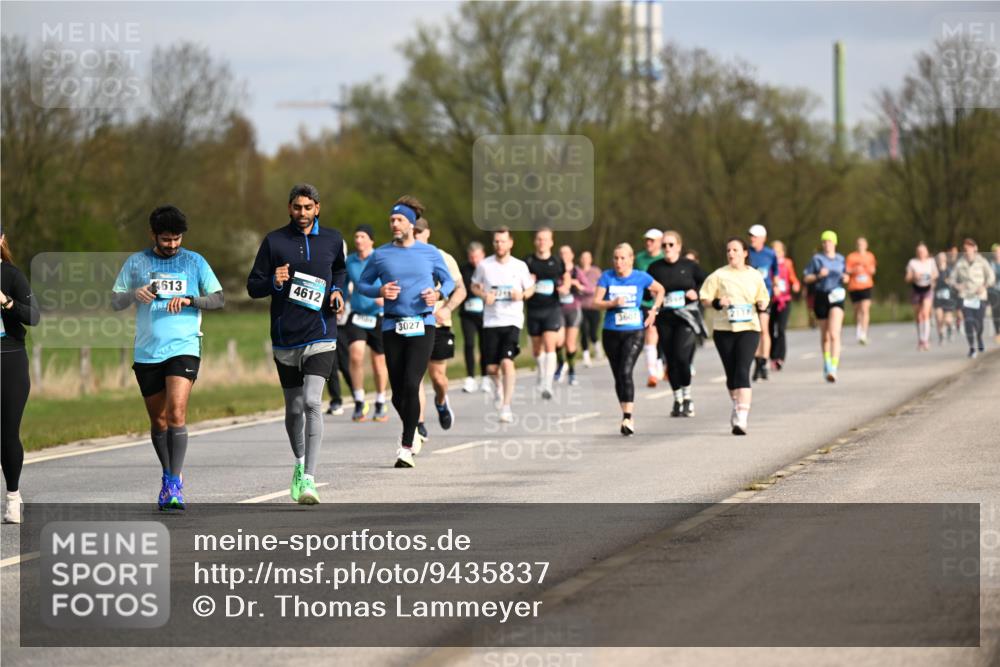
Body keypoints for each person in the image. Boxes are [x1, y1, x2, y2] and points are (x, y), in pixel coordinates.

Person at [112, 205, 225, 511]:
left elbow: (218, 298)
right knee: (158, 420)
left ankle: (174, 483)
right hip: (147, 352)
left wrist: (191, 299)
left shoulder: (195, 262)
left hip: (184, 347)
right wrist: (134, 294)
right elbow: (114, 301)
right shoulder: (136, 262)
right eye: (166, 239)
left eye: (177, 239)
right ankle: (167, 473)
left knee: (176, 414)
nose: (172, 244)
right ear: (153, 235)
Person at [247, 184, 346, 503]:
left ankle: (310, 480)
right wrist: (273, 281)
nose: (301, 213)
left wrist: (338, 292)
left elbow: (340, 270)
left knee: (313, 402)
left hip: (322, 333)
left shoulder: (332, 239)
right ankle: (299, 463)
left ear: (317, 207)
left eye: (307, 207)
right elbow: (253, 287)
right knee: (293, 407)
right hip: (285, 337)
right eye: (296, 207)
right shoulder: (274, 241)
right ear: (289, 208)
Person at [356, 196, 454, 468]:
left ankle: (407, 445)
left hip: (423, 324)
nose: (394, 224)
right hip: (392, 325)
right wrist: (380, 290)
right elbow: (363, 284)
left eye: (399, 219)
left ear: (411, 224)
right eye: (391, 220)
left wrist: (438, 293)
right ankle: (412, 428)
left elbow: (449, 281)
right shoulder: (381, 254)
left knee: (412, 384)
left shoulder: (429, 252)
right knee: (398, 393)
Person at [699, 238, 769, 435]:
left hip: (749, 328)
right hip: (724, 330)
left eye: (735, 250)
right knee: (731, 375)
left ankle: (742, 418)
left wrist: (762, 304)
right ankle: (737, 405)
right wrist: (717, 302)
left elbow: (763, 296)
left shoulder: (754, 275)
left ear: (745, 253)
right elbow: (704, 297)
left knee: (742, 370)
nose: (731, 253)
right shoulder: (719, 275)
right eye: (728, 250)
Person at [594, 244, 664, 435]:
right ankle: (625, 412)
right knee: (618, 375)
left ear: (631, 259)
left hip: (634, 331)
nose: (619, 262)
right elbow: (596, 302)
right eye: (616, 258)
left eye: (623, 258)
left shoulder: (641, 277)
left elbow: (660, 290)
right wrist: (612, 303)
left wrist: (654, 311)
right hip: (611, 331)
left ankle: (628, 417)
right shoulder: (607, 277)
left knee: (626, 371)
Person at [471, 227, 535, 424]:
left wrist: (522, 295)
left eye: (503, 241)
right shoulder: (484, 265)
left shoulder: (520, 266)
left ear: (510, 243)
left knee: (507, 362)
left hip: (512, 320)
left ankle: (506, 407)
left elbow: (531, 288)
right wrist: (484, 295)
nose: (500, 245)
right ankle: (498, 387)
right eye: (496, 241)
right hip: (491, 321)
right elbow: (474, 286)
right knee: (491, 368)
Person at [1, 229, 40, 524]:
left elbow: (34, 317)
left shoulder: (11, 275)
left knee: (6, 433)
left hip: (9, 360)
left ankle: (13, 497)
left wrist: (6, 302)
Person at [413, 216, 466, 431]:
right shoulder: (401, 257)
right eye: (412, 232)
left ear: (427, 232)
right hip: (412, 324)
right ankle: (418, 425)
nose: (415, 236)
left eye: (418, 232)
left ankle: (441, 401)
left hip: (438, 325)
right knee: (414, 378)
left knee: (438, 378)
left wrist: (446, 309)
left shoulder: (442, 257)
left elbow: (461, 288)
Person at [646, 231, 706, 417]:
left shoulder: (689, 266)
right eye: (664, 245)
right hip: (665, 318)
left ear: (679, 246)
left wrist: (696, 292)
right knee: (670, 362)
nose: (667, 248)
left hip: (685, 317)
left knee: (682, 357)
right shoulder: (655, 268)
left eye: (671, 245)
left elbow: (707, 281)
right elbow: (648, 290)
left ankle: (688, 398)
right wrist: (653, 295)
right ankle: (677, 399)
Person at [340, 224, 389, 422]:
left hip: (379, 316)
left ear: (371, 240)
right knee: (356, 355)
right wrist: (340, 301)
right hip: (358, 315)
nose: (358, 240)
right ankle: (359, 400)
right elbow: (342, 285)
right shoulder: (349, 261)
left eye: (362, 236)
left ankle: (380, 401)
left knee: (378, 364)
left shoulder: (381, 258)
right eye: (356, 236)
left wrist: (387, 298)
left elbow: (393, 280)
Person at [524, 227, 565, 400]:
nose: (542, 242)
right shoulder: (528, 261)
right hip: (533, 309)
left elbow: (566, 276)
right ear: (535, 241)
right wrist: (528, 282)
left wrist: (565, 286)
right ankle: (541, 373)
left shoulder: (556, 261)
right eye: (539, 239)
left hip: (552, 308)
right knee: (536, 348)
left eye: (545, 239)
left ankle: (548, 383)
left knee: (550, 344)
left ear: (551, 242)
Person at [803, 230, 848, 383]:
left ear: (834, 243)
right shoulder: (817, 259)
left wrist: (846, 277)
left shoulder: (841, 259)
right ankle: (827, 362)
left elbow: (847, 275)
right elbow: (807, 278)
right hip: (821, 296)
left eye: (829, 241)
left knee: (834, 333)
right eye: (824, 242)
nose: (826, 244)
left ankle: (833, 368)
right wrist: (818, 276)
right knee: (825, 335)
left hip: (837, 296)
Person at [949, 238, 996, 358]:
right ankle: (971, 348)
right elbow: (951, 278)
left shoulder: (982, 261)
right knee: (968, 322)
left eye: (969, 248)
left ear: (975, 248)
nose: (966, 250)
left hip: (980, 296)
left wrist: (984, 286)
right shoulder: (960, 263)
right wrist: (957, 285)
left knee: (979, 323)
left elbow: (991, 277)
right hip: (966, 296)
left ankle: (979, 337)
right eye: (964, 249)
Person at [747, 225, 779, 381]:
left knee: (764, 329)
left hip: (764, 296)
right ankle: (757, 361)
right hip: (748, 297)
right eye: (750, 236)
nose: (752, 239)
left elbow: (776, 274)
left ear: (762, 238)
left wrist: (777, 287)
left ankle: (763, 361)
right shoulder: (746, 253)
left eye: (755, 236)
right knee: (752, 331)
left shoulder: (770, 254)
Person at [635, 229, 665, 387]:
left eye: (652, 240)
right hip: (646, 303)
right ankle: (652, 372)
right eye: (647, 240)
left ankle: (661, 362)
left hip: (665, 302)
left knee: (663, 335)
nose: (648, 243)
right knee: (651, 331)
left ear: (660, 241)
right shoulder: (639, 258)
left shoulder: (664, 257)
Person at [460, 241, 488, 393]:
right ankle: (470, 377)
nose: (474, 260)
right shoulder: (464, 269)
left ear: (483, 255)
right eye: (472, 257)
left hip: (485, 313)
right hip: (467, 314)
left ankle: (485, 378)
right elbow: (459, 288)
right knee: (469, 344)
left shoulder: (489, 269)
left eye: (477, 257)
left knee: (485, 345)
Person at [554, 244, 584, 386]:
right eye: (561, 253)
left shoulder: (577, 271)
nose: (564, 256)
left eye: (566, 253)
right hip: (558, 309)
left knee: (570, 344)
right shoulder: (555, 271)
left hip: (573, 310)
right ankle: (561, 364)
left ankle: (572, 371)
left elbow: (590, 288)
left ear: (572, 255)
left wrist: (578, 285)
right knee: (558, 341)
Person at [769, 240, 800, 370]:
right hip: (770, 301)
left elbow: (792, 278)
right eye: (773, 250)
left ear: (783, 252)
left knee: (781, 329)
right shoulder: (768, 264)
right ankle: (772, 355)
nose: (776, 253)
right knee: (770, 329)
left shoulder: (787, 263)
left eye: (778, 250)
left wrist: (796, 284)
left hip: (784, 300)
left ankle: (780, 357)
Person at [904, 243, 938, 351]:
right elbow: (907, 278)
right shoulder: (912, 263)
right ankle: (920, 338)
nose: (921, 253)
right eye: (919, 251)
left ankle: (925, 340)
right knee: (918, 316)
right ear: (916, 253)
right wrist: (914, 276)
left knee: (925, 313)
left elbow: (936, 274)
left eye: (923, 251)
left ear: (927, 252)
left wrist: (930, 276)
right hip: (916, 290)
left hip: (927, 289)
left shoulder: (931, 262)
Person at [845, 237, 877, 345]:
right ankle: (859, 329)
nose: (860, 246)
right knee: (857, 311)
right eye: (859, 244)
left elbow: (873, 270)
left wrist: (865, 268)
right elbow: (846, 270)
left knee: (865, 309)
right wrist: (855, 270)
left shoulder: (870, 256)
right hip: (854, 286)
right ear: (856, 245)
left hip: (866, 285)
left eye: (862, 244)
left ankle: (864, 334)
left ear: (866, 245)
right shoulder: (851, 257)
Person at [577, 250, 602, 367]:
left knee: (593, 332)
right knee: (584, 331)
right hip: (581, 307)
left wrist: (585, 289)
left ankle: (597, 348)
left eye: (587, 257)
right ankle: (586, 357)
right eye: (583, 257)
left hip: (594, 306)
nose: (585, 260)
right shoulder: (576, 271)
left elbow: (598, 287)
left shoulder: (596, 272)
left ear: (590, 259)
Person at [933, 252, 958, 344]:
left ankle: (950, 328)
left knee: (947, 319)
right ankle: (941, 336)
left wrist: (949, 281)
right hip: (938, 298)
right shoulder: (935, 271)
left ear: (945, 259)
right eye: (939, 258)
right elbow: (931, 282)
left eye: (942, 258)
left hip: (948, 298)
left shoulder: (949, 270)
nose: (940, 260)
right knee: (939, 318)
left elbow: (954, 281)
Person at [989, 244, 1000, 344]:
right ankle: (997, 332)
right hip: (994, 292)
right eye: (996, 252)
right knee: (995, 312)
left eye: (999, 251)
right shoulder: (990, 264)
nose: (997, 253)